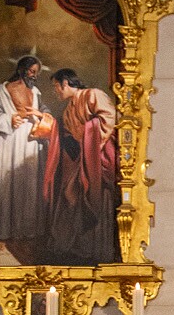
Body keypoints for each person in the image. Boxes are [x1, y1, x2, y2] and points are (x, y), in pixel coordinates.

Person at [0, 54, 55, 262]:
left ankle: (27, 232)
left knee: (29, 186)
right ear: (22, 69)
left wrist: (40, 116)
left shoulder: (36, 92)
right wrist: (8, 119)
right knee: (7, 184)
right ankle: (3, 232)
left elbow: (47, 114)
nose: (34, 75)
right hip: (9, 140)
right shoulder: (4, 89)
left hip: (31, 141)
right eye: (31, 71)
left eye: (37, 72)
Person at [44, 68, 119, 265]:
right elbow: (69, 135)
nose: (56, 92)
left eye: (56, 87)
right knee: (70, 193)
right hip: (83, 158)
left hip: (99, 155)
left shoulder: (92, 95)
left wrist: (88, 134)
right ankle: (76, 246)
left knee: (94, 194)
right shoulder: (68, 110)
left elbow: (109, 118)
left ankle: (97, 249)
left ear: (66, 84)